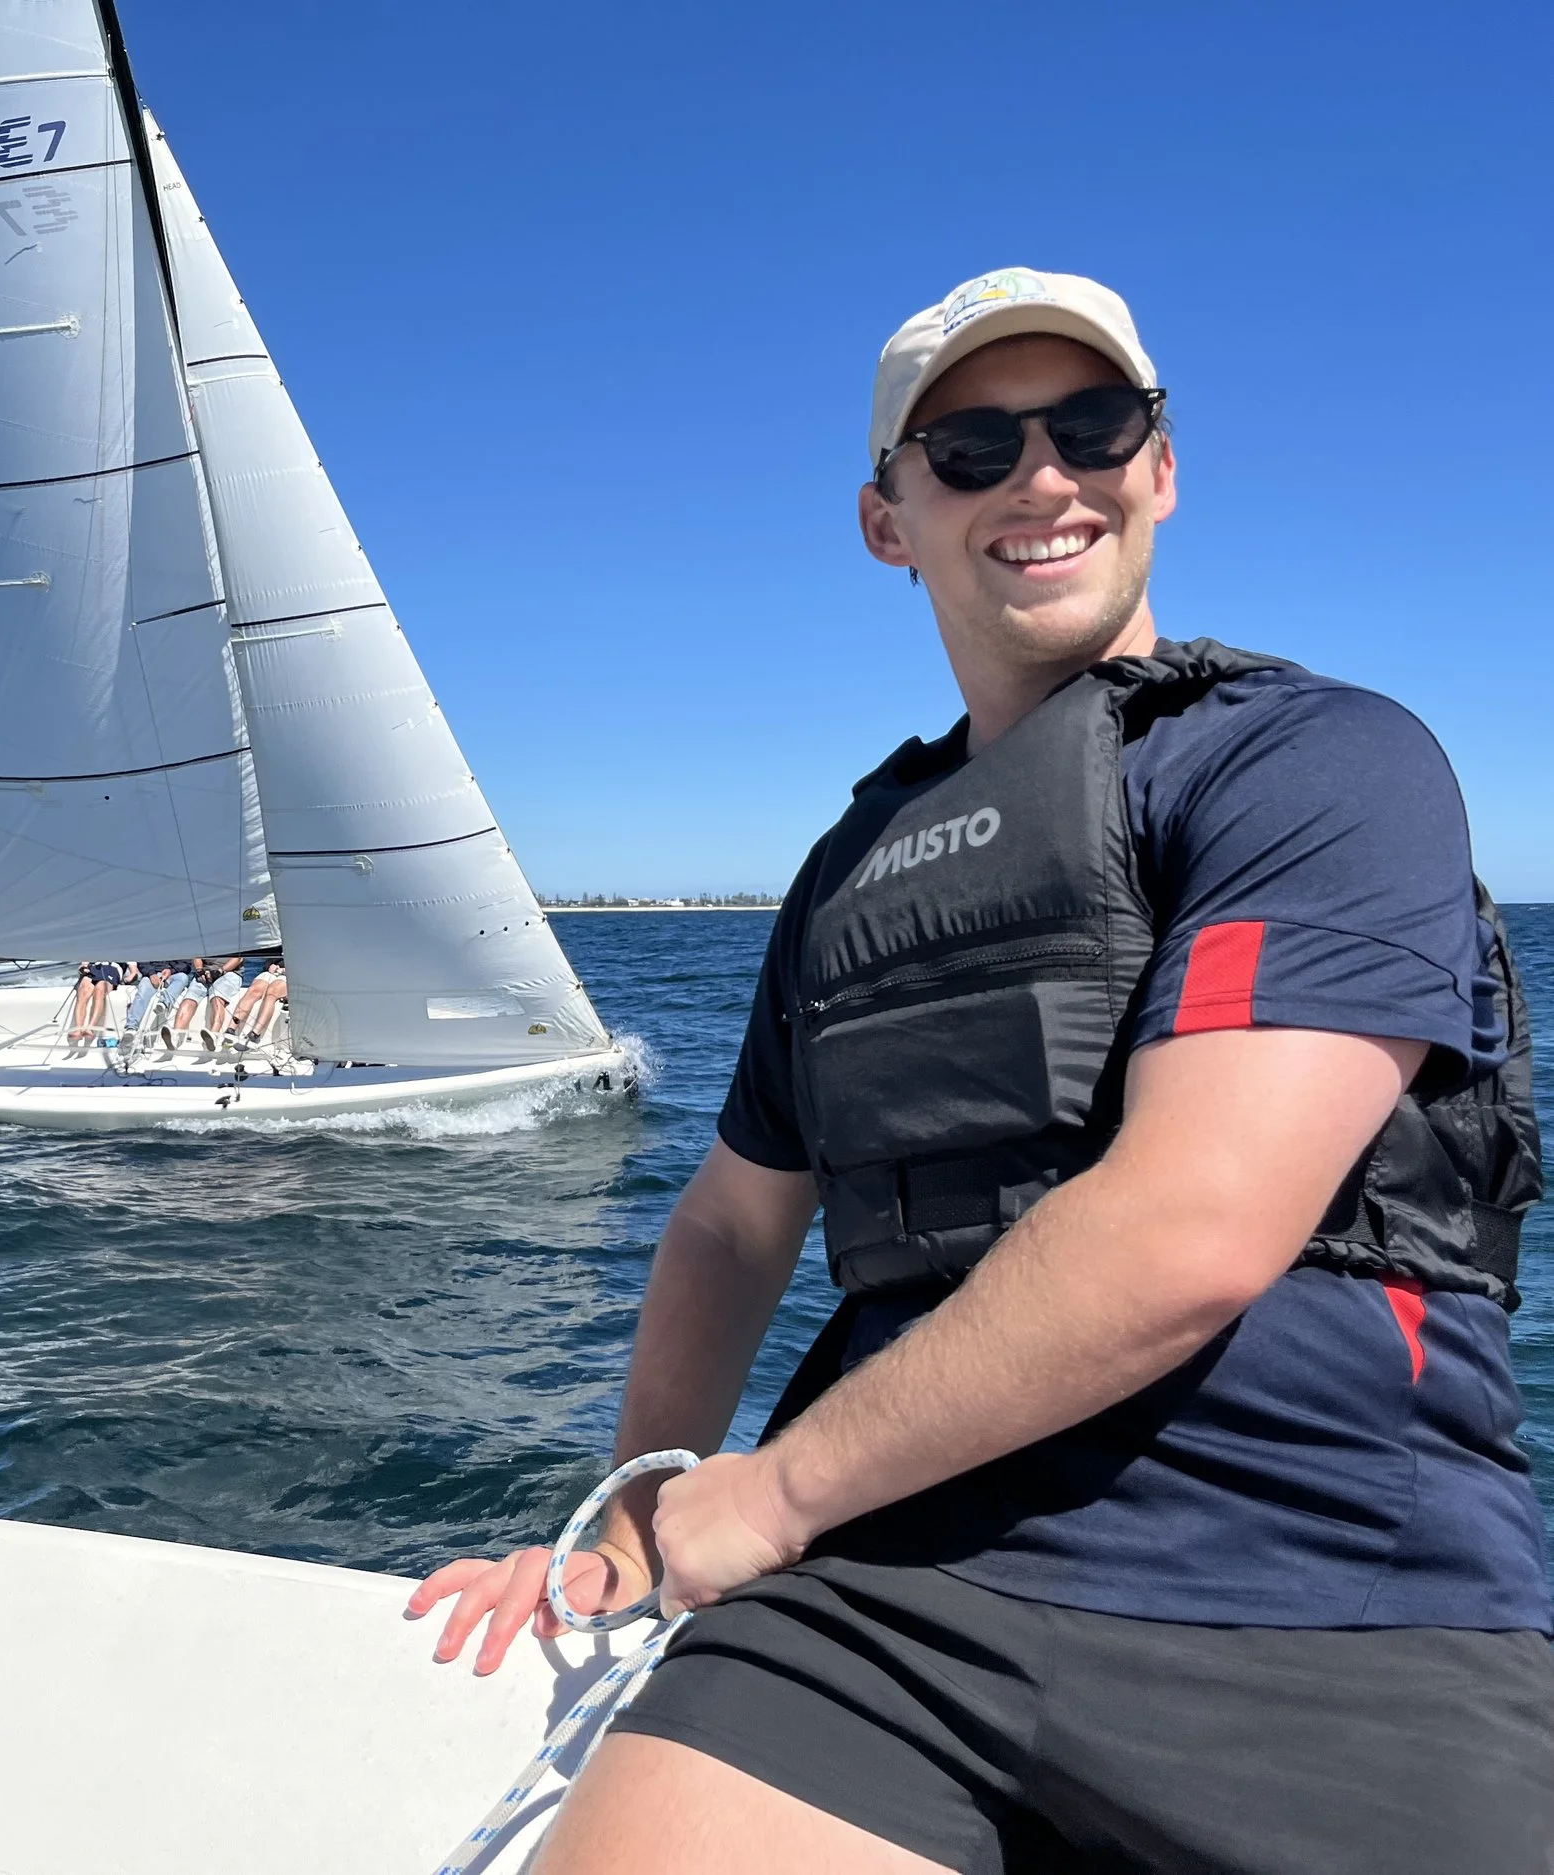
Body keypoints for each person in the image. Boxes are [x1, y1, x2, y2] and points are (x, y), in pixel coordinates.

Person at [408, 269, 1553, 1872]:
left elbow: (1196, 1225)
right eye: (972, 448)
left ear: (1161, 467)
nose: (1043, 477)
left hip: (1333, 1592)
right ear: (888, 519)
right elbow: (732, 1221)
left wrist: (773, 1491)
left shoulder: (1314, 764)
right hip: (878, 1605)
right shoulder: (849, 874)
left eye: (1094, 426)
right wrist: (632, 1523)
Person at [225, 962, 288, 1047]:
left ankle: (255, 1034)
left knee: (271, 993)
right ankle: (230, 1030)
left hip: (289, 975)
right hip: (272, 970)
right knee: (253, 990)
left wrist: (284, 970)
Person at [200, 958, 245, 1049]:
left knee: (217, 998)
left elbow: (238, 958)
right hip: (206, 976)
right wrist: (200, 971)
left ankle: (214, 1034)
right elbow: (197, 957)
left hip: (230, 974)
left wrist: (219, 971)